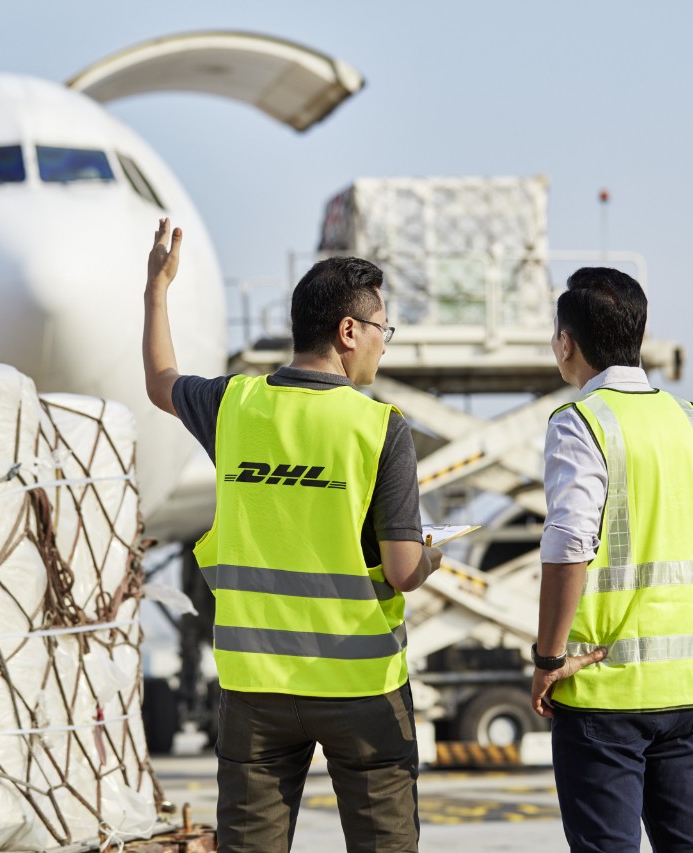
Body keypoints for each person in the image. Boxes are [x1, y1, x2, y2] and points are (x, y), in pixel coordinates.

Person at [142, 218, 443, 852]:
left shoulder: (234, 405)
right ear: (349, 332)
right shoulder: (380, 428)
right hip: (360, 687)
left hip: (256, 688)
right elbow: (400, 570)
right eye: (383, 330)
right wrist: (431, 557)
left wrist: (156, 292)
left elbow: (160, 381)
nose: (384, 345)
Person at [531, 267, 693, 853]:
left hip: (601, 693)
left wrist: (548, 658)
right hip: (684, 692)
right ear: (638, 336)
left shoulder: (579, 424)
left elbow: (568, 545)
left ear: (566, 343)